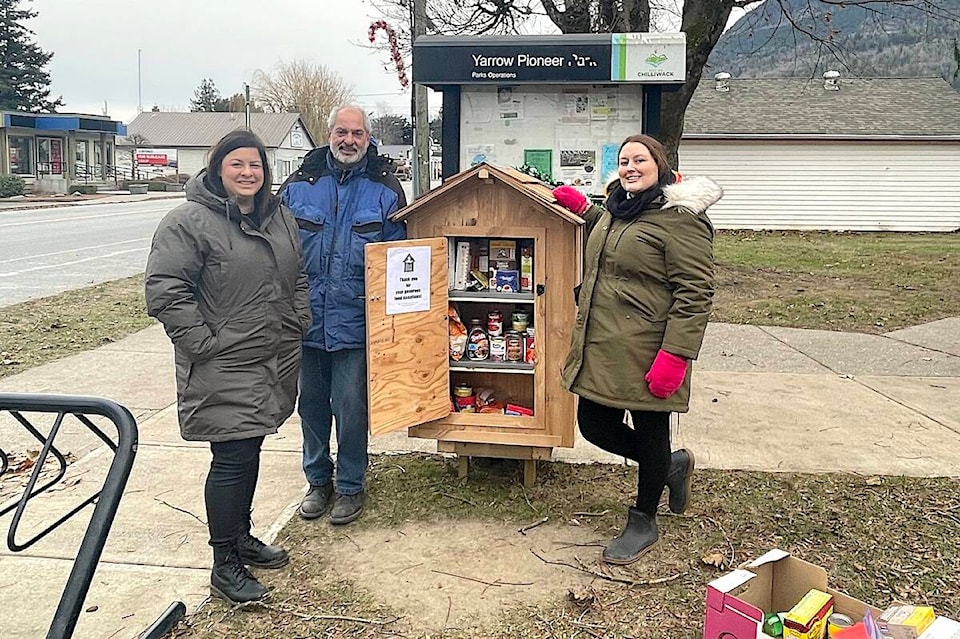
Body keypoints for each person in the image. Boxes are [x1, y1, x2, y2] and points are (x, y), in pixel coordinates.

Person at [145, 130, 311, 603]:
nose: (247, 173)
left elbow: (297, 274)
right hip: (224, 360)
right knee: (232, 459)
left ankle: (241, 536)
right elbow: (165, 291)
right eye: (236, 164)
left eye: (255, 165)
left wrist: (300, 319)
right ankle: (224, 564)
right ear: (218, 168)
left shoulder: (278, 216)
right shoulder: (188, 222)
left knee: (249, 448)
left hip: (272, 354)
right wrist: (203, 343)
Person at [552, 134, 722, 565]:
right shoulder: (617, 208)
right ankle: (668, 465)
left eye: (640, 160)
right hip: (605, 341)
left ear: (660, 165)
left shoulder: (680, 218)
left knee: (650, 431)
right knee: (593, 423)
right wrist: (584, 210)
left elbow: (696, 291)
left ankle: (644, 518)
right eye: (625, 160)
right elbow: (618, 240)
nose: (631, 167)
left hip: (651, 347)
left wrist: (676, 355)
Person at [281, 104, 407, 525]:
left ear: (368, 139)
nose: (349, 140)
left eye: (357, 134)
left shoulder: (385, 189)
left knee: (351, 407)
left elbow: (399, 260)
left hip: (356, 322)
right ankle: (318, 482)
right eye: (342, 132)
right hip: (305, 321)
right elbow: (276, 251)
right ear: (329, 134)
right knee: (311, 407)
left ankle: (351, 485)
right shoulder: (298, 185)